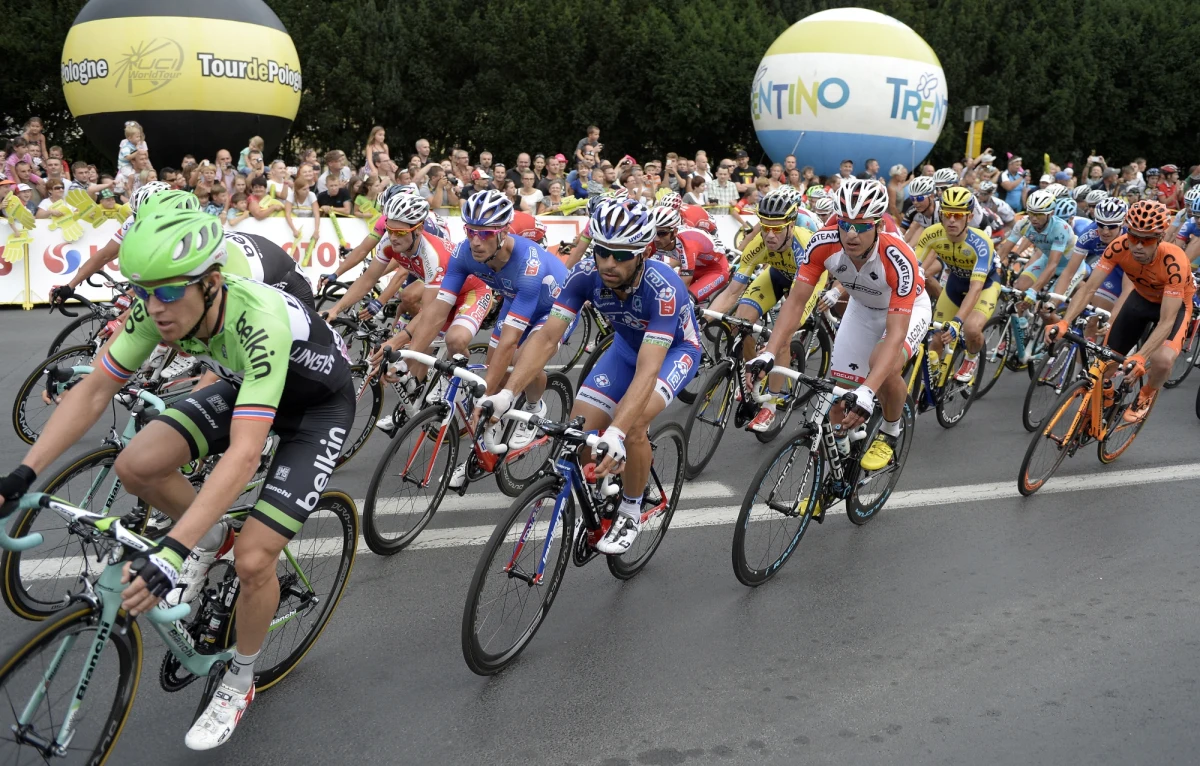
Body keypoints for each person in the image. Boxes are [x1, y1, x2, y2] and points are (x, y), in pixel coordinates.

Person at [0, 209, 354, 749]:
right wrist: (22, 473)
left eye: (167, 292)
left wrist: (171, 548)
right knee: (135, 464)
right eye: (143, 292)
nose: (154, 308)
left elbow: (243, 455)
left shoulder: (258, 317)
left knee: (256, 558)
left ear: (211, 284)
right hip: (248, 388)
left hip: (315, 409)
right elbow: (94, 391)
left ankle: (240, 679)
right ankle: (213, 538)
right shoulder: (157, 309)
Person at [475, 199, 701, 553]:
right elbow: (548, 337)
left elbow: (649, 368)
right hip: (626, 348)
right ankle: (602, 492)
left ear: (642, 253)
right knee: (579, 431)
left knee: (635, 423)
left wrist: (617, 431)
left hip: (673, 353)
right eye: (603, 252)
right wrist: (506, 393)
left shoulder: (664, 289)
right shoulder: (584, 276)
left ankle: (630, 507)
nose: (609, 263)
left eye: (621, 255)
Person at [751, 180, 930, 475]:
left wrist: (868, 391)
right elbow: (796, 302)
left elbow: (896, 333)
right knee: (838, 397)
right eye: (844, 223)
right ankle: (840, 469)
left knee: (882, 367)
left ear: (878, 226)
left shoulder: (898, 258)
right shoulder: (823, 243)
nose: (850, 234)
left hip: (907, 311)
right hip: (861, 308)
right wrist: (770, 352)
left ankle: (890, 430)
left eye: (860, 227)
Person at [1047, 200, 1192, 423]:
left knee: (1162, 360)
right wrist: (1065, 321)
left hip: (1174, 305)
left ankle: (1146, 394)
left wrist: (1141, 356)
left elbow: (1167, 321)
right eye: (1133, 237)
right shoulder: (1118, 246)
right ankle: (1103, 398)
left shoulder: (1174, 262)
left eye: (1147, 240)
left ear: (1160, 238)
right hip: (1141, 299)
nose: (1138, 246)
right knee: (1104, 363)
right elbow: (1089, 288)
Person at [706, 187, 821, 431]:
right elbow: (731, 292)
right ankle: (752, 375)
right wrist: (703, 321)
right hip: (777, 275)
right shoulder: (759, 242)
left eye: (777, 228)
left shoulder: (804, 242)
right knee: (740, 321)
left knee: (783, 337)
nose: (769, 234)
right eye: (765, 226)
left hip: (807, 282)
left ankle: (770, 406)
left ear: (791, 224)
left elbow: (797, 300)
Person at [914, 187, 1000, 383]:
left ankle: (971, 357)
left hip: (985, 285)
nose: (951, 220)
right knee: (936, 338)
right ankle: (933, 383)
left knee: (970, 329)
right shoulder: (931, 234)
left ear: (969, 217)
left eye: (958, 215)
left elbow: (976, 287)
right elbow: (912, 271)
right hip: (955, 282)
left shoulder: (981, 242)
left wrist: (957, 321)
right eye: (947, 214)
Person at [646, 206, 730, 303]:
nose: (656, 238)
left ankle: (705, 318)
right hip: (693, 265)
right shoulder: (654, 239)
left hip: (715, 269)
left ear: (674, 232)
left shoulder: (687, 243)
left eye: (662, 233)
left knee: (684, 301)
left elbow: (682, 286)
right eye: (653, 232)